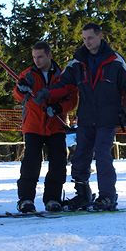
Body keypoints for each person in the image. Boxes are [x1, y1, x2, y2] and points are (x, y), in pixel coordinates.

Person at [36, 23, 126, 211]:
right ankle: (83, 193)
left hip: (107, 118)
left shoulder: (115, 61)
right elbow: (64, 84)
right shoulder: (77, 62)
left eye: (90, 38)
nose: (87, 42)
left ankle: (107, 196)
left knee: (103, 156)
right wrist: (48, 93)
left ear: (99, 36)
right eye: (84, 39)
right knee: (80, 156)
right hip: (86, 118)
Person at [13, 41, 78, 213]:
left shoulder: (63, 76)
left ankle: (53, 199)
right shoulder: (28, 75)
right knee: (31, 163)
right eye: (34, 57)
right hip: (33, 126)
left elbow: (71, 99)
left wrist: (58, 108)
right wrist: (21, 90)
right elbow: (18, 95)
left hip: (55, 125)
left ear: (49, 55)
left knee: (58, 163)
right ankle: (26, 199)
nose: (37, 61)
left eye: (40, 56)